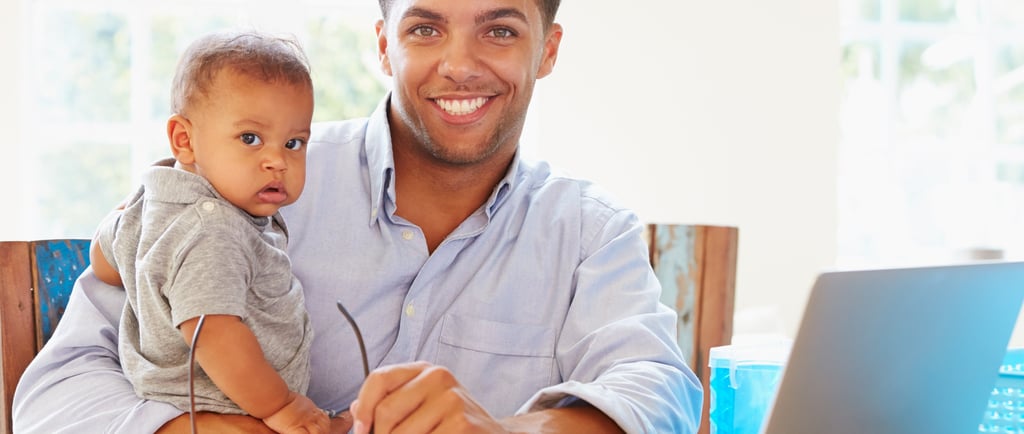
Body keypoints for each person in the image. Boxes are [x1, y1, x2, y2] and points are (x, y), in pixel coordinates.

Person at [13, 0, 703, 433]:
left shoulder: (591, 230)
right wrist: (188, 430)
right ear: (383, 45)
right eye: (426, 27)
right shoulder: (245, 182)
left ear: (546, 50)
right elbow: (55, 392)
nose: (459, 66)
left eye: (498, 29)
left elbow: (661, 391)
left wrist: (511, 431)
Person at [85, 31, 329, 434]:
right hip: (229, 409)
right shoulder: (213, 230)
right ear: (185, 140)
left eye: (293, 142)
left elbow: (104, 265)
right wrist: (282, 406)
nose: (277, 161)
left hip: (186, 402)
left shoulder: (152, 201)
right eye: (250, 138)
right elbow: (213, 333)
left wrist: (119, 220)